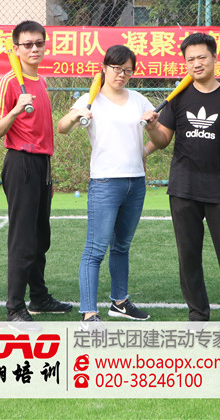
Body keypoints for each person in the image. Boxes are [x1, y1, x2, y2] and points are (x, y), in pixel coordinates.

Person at [143, 32, 220, 323]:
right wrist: (152, 128)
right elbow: (163, 140)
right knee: (188, 255)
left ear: (214, 57)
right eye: (190, 59)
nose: (196, 63)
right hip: (183, 188)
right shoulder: (178, 97)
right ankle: (197, 313)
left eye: (202, 57)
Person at [58, 45, 154, 323]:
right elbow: (63, 128)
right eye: (116, 68)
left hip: (135, 182)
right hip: (105, 182)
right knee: (95, 249)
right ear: (104, 68)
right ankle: (89, 312)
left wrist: (151, 126)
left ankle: (120, 302)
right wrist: (75, 116)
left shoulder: (138, 100)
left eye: (127, 70)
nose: (121, 74)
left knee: (121, 246)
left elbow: (158, 138)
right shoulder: (91, 100)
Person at [0, 20, 72, 322]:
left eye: (39, 43)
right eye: (27, 44)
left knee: (40, 237)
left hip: (42, 164)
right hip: (21, 163)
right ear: (16, 49)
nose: (34, 48)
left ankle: (38, 297)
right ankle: (15, 306)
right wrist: (15, 109)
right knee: (23, 238)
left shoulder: (41, 81)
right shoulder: (10, 81)